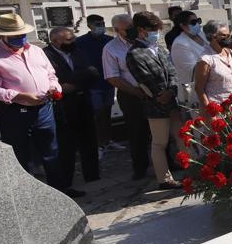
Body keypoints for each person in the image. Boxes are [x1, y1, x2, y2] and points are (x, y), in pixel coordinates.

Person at [0, 13, 78, 196]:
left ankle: (60, 192)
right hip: (15, 112)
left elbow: (50, 75)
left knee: (51, 151)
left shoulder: (36, 50)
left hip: (44, 108)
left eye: (22, 34)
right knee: (21, 155)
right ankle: (28, 196)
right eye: (16, 36)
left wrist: (53, 87)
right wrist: (20, 95)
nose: (21, 38)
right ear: (4, 36)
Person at [125, 12, 181, 190]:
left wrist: (171, 90)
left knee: (182, 137)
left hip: (172, 100)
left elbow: (172, 71)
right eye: (152, 30)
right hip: (155, 104)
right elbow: (144, 78)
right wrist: (160, 95)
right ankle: (164, 179)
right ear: (141, 30)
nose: (156, 33)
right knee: (159, 142)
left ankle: (194, 170)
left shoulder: (160, 49)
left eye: (157, 30)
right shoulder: (134, 53)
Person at [44, 26, 100, 186]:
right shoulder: (46, 55)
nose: (73, 42)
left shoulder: (78, 51)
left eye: (73, 38)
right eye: (69, 40)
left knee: (89, 140)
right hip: (63, 106)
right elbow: (54, 78)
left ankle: (92, 174)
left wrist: (73, 83)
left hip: (83, 101)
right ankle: (66, 182)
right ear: (55, 41)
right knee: (66, 145)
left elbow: (93, 72)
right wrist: (71, 82)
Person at [102, 13, 152, 179]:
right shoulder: (111, 49)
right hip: (131, 94)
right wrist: (136, 91)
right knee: (137, 132)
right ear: (117, 30)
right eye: (127, 29)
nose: (131, 31)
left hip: (153, 91)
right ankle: (140, 167)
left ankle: (166, 161)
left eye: (133, 27)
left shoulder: (144, 40)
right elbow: (112, 76)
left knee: (158, 129)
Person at [73, 14, 116, 152]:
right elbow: (76, 60)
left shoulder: (109, 40)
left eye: (102, 23)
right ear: (90, 26)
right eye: (97, 24)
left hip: (108, 81)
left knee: (107, 112)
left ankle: (108, 140)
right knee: (96, 114)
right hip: (91, 84)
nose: (100, 27)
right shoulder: (80, 42)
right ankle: (97, 144)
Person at [193, 21, 232, 107]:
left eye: (228, 35)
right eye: (223, 35)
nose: (227, 38)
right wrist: (209, 109)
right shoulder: (206, 59)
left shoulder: (229, 52)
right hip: (218, 107)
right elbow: (199, 88)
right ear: (213, 36)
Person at [169, 10, 210, 105]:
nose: (197, 24)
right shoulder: (180, 44)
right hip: (193, 93)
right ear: (182, 25)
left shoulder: (202, 35)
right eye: (193, 22)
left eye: (198, 21)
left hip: (209, 88)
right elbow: (193, 69)